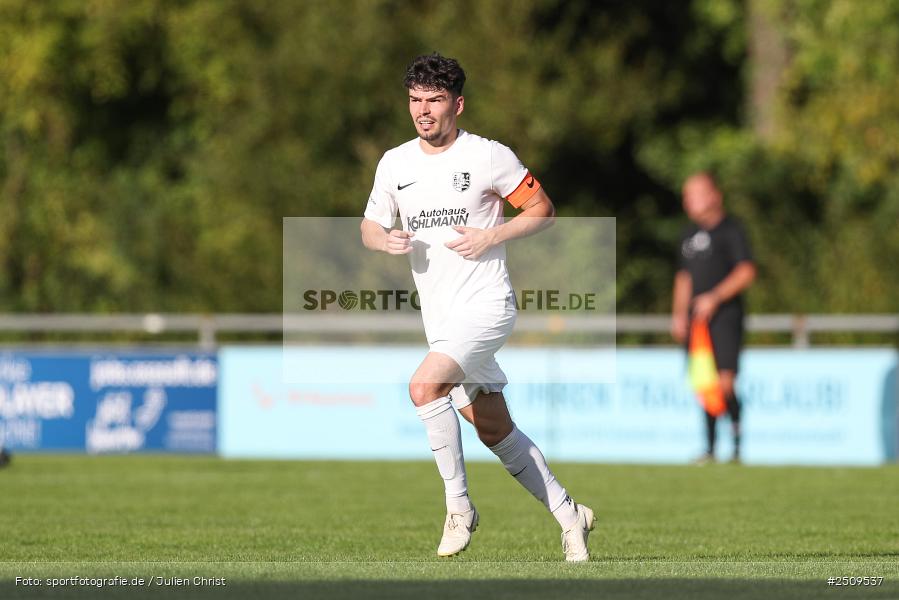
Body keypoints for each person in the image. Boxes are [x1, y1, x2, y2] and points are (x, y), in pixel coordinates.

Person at [360, 53, 595, 561]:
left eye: (434, 100)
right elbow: (369, 226)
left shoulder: (489, 156)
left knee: (424, 387)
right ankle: (568, 512)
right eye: (415, 100)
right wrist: (385, 241)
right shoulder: (394, 163)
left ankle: (459, 508)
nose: (423, 111)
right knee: (492, 427)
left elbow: (542, 210)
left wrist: (494, 234)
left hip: (487, 304)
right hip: (440, 318)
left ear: (457, 105)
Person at [671, 172, 756, 464]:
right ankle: (709, 449)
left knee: (725, 383)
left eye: (694, 193)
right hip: (697, 323)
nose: (688, 200)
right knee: (705, 384)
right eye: (686, 195)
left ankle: (736, 446)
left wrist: (715, 298)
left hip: (725, 317)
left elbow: (746, 271)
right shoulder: (687, 234)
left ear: (713, 195)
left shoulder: (731, 230)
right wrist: (679, 314)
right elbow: (683, 277)